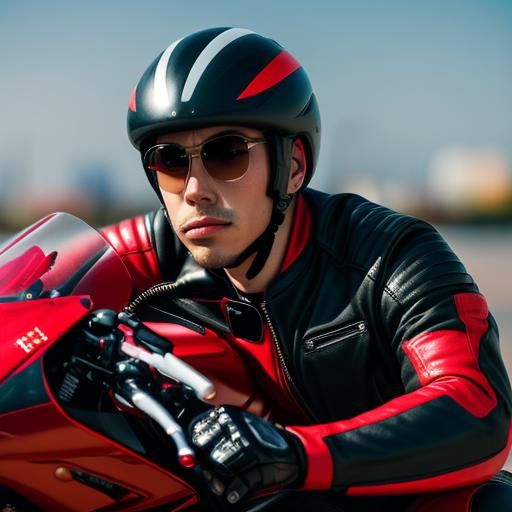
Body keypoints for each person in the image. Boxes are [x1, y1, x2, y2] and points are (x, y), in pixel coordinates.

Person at [103, 27, 512, 510]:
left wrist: (293, 453)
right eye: (170, 161)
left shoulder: (391, 253)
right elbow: (34, 287)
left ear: (293, 166)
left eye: (227, 153)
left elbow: (474, 405)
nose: (194, 189)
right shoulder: (155, 249)